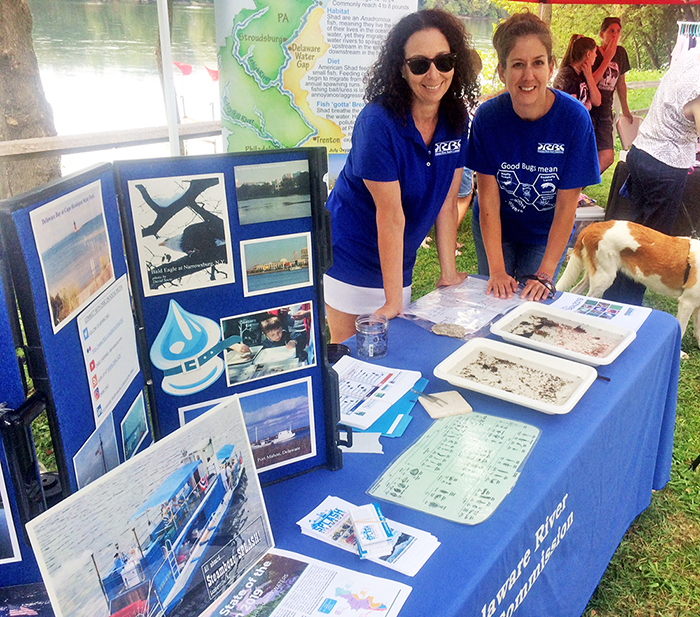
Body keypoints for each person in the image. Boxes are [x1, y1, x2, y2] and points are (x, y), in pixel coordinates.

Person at [323, 9, 480, 343]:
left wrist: (448, 272)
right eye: (420, 64)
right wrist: (393, 299)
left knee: (391, 354)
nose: (433, 73)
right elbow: (390, 215)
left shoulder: (456, 117)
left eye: (444, 61)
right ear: (401, 69)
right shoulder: (377, 122)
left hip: (399, 261)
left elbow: (447, 201)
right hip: (353, 255)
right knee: (352, 354)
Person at [466, 11, 601, 302]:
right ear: (502, 71)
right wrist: (498, 271)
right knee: (496, 295)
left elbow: (567, 207)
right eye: (517, 65)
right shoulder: (487, 118)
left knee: (532, 301)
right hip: (496, 223)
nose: (528, 76)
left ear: (551, 66)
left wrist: (545, 273)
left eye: (538, 63)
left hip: (544, 229)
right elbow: (487, 198)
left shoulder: (574, 119)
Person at [603, 49, 700, 306]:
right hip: (665, 167)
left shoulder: (693, 54)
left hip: (640, 152)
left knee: (631, 235)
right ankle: (627, 307)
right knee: (649, 247)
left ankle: (611, 298)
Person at [590, 17, 633, 174]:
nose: (615, 35)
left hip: (606, 110)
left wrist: (626, 109)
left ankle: (577, 188)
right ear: (602, 34)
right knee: (587, 152)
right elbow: (590, 81)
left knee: (607, 156)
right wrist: (606, 58)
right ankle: (573, 193)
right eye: (611, 31)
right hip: (590, 109)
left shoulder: (621, 53)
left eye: (618, 31)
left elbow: (621, 83)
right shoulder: (593, 52)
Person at [553, 34, 601, 111]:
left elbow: (597, 101)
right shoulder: (567, 75)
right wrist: (588, 105)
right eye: (595, 52)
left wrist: (589, 77)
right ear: (588, 54)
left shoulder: (583, 73)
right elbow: (573, 109)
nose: (596, 55)